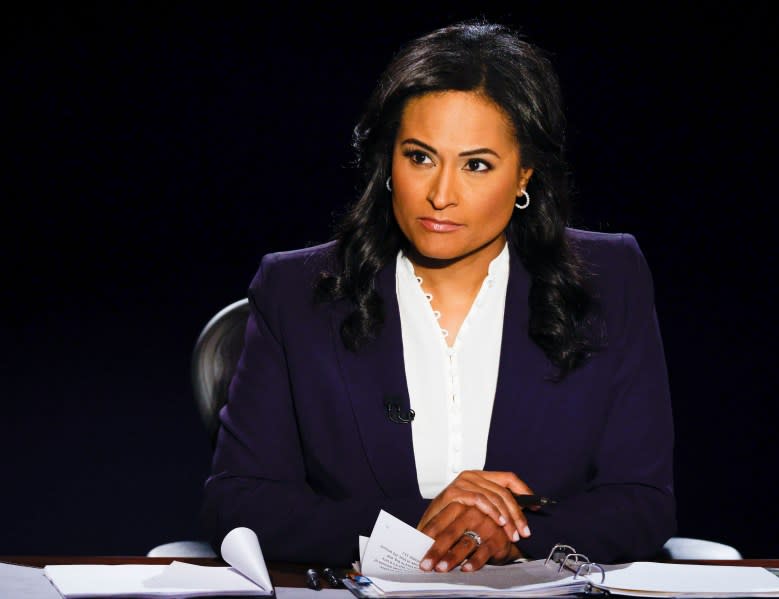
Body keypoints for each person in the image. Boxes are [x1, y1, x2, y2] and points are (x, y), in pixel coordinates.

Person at [201, 19, 676, 571]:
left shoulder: (610, 278)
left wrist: (508, 532)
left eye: (476, 165)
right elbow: (233, 503)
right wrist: (419, 523)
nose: (441, 195)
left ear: (525, 174)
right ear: (388, 162)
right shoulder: (294, 293)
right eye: (420, 157)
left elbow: (644, 502)